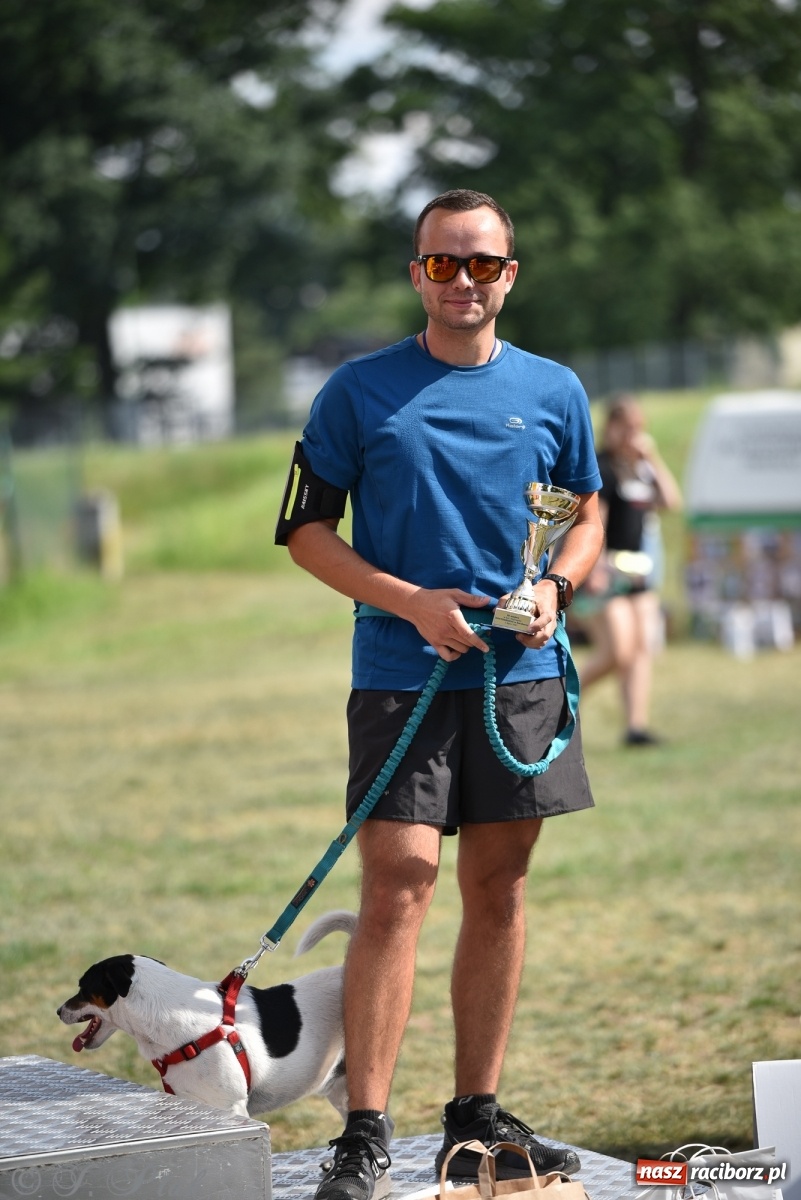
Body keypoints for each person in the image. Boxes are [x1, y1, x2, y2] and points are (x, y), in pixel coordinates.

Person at [275, 188, 604, 1200]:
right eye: (443, 264)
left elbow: (586, 515)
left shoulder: (555, 391)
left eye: (483, 264)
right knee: (400, 886)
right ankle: (366, 1131)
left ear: (511, 273)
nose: (464, 281)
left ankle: (475, 1120)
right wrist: (411, 601)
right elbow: (306, 533)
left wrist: (554, 586)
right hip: (398, 674)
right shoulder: (357, 391)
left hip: (523, 680)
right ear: (416, 273)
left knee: (498, 890)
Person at [577, 395, 682, 746]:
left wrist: (651, 458)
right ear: (612, 427)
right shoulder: (602, 466)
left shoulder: (639, 467)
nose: (635, 435)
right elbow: (596, 521)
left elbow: (671, 502)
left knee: (640, 650)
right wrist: (595, 567)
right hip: (609, 569)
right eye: (629, 427)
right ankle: (560, 702)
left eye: (640, 428)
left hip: (639, 571)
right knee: (617, 651)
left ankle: (636, 726)